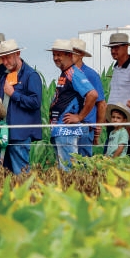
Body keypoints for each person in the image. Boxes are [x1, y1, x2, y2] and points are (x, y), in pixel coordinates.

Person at [47, 39, 98, 171]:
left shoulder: (73, 73)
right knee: (64, 169)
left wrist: (79, 117)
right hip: (60, 129)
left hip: (66, 131)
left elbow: (92, 94)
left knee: (67, 170)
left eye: (59, 55)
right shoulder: (66, 73)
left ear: (69, 55)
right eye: (54, 55)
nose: (56, 58)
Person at [0, 40, 43, 174]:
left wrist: (13, 94)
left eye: (8, 57)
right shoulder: (5, 76)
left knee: (21, 174)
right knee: (6, 175)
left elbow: (35, 102)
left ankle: (26, 195)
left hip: (20, 134)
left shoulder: (31, 75)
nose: (5, 61)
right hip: (4, 134)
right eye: (2, 58)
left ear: (18, 53)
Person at [105, 33, 130, 153]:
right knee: (110, 153)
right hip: (113, 118)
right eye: (112, 48)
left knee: (124, 155)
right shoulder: (116, 67)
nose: (113, 51)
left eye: (117, 47)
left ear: (126, 47)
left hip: (125, 120)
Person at [71, 38, 106, 156]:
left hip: (85, 126)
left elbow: (101, 103)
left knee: (83, 161)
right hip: (69, 126)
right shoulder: (67, 73)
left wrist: (98, 128)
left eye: (73, 52)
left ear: (81, 54)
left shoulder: (91, 75)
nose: (70, 55)